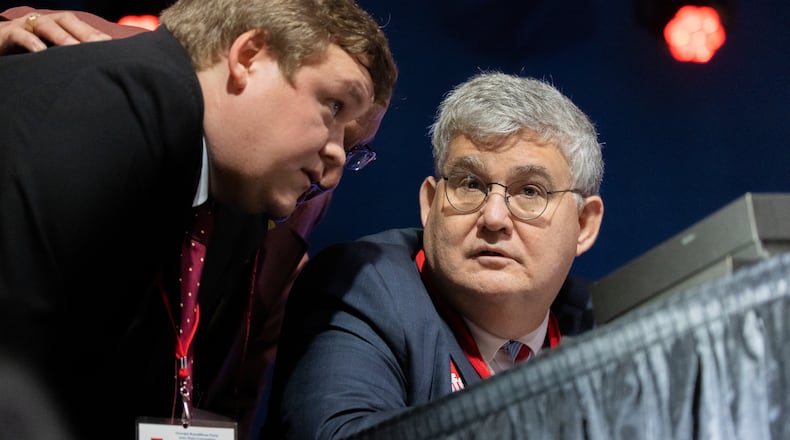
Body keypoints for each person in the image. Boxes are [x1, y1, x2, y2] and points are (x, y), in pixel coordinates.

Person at [0, 1, 397, 438]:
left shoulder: (234, 189)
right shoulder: (132, 97)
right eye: (334, 106)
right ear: (248, 57)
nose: (337, 156)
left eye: (354, 144)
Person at [263, 72, 605, 439]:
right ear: (429, 204)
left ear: (584, 225)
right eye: (470, 184)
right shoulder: (361, 287)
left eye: (531, 191)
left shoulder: (600, 323)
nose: (493, 217)